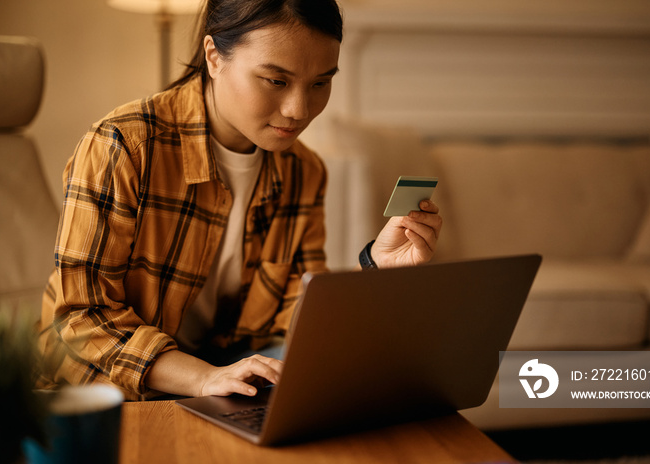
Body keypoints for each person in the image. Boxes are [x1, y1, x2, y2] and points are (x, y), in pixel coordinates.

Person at [36, 0, 442, 401]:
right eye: (276, 81)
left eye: (320, 83)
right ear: (214, 57)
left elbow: (292, 318)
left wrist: (373, 267)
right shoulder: (124, 147)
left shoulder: (303, 170)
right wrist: (203, 379)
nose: (299, 110)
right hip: (111, 392)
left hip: (226, 372)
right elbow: (81, 317)